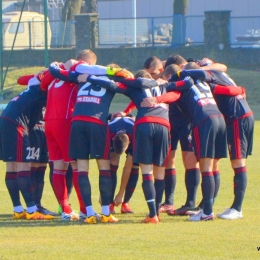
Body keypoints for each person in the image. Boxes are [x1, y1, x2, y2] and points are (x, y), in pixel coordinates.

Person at [77, 69, 193, 223]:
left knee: (146, 172)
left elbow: (112, 85)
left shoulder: (134, 86)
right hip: (164, 127)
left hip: (144, 124)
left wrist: (91, 78)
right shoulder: (165, 86)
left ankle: (152, 215)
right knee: (159, 173)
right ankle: (155, 213)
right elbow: (186, 84)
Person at [48, 62, 134, 224]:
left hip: (77, 122)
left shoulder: (81, 77)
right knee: (104, 167)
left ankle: (87, 212)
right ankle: (106, 213)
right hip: (96, 123)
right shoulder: (113, 80)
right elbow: (128, 86)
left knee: (81, 168)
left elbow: (57, 73)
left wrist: (54, 66)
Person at [141, 65, 229, 221]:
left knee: (206, 168)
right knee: (213, 166)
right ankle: (206, 207)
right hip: (219, 118)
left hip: (204, 121)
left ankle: (207, 212)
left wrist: (157, 98)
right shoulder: (203, 81)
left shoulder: (180, 81)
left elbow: (173, 95)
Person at [177, 64, 254, 219]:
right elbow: (230, 89)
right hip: (237, 117)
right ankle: (211, 207)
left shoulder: (211, 75)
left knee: (238, 162)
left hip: (237, 118)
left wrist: (181, 73)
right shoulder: (218, 78)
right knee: (220, 161)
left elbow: (228, 88)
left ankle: (237, 209)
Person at [0, 70, 54, 220]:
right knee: (23, 166)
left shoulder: (32, 88)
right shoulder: (42, 91)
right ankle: (31, 210)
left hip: (6, 119)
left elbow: (23, 79)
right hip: (16, 124)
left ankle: (18, 209)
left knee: (12, 167)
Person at [108, 114, 138, 214]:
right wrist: (103, 194)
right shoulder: (108, 132)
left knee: (134, 166)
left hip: (133, 132)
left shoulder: (136, 133)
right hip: (114, 131)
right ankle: (109, 203)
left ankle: (125, 203)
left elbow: (127, 168)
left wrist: (120, 193)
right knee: (112, 163)